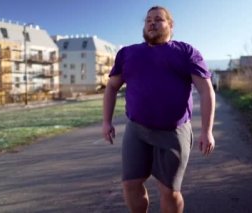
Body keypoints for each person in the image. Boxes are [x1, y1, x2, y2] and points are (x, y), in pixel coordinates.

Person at [102, 5, 215, 213]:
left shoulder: (186, 52)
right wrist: (106, 121)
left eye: (158, 19)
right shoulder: (128, 54)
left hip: (173, 132)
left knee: (169, 190)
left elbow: (206, 91)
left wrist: (206, 131)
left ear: (170, 25)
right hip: (137, 130)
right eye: (148, 20)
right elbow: (110, 87)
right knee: (130, 184)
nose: (152, 23)